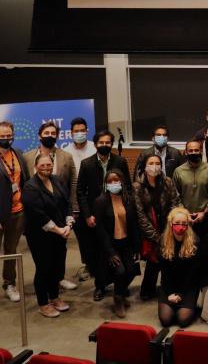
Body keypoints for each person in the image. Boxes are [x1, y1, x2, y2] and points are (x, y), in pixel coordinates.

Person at [76, 129, 131, 301]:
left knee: (118, 250)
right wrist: (87, 215)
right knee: (99, 253)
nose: (105, 145)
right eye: (101, 142)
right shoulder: (86, 164)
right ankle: (100, 286)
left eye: (108, 142)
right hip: (96, 214)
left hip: (117, 211)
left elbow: (127, 186)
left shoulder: (120, 161)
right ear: (95, 144)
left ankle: (119, 285)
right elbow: (80, 191)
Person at [22, 154, 73, 318]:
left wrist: (68, 224)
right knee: (44, 268)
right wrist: (59, 230)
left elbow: (67, 203)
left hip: (60, 232)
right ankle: (43, 303)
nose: (46, 168)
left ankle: (55, 297)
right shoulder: (30, 187)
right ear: (36, 167)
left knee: (57, 266)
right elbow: (38, 214)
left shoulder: (57, 180)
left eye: (49, 165)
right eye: (42, 165)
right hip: (40, 235)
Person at [133, 154, 181, 300]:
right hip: (149, 230)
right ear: (144, 166)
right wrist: (155, 236)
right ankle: (147, 291)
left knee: (169, 258)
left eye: (157, 163)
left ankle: (168, 288)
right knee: (153, 260)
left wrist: (169, 229)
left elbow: (175, 201)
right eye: (151, 163)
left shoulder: (167, 181)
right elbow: (140, 214)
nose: (154, 166)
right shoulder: (137, 186)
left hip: (168, 226)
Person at [94, 169, 141, 318]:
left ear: (122, 181)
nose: (114, 184)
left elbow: (135, 225)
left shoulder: (129, 199)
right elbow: (100, 230)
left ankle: (119, 293)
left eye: (116, 180)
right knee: (120, 271)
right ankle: (118, 299)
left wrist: (137, 247)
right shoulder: (100, 201)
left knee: (132, 271)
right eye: (110, 182)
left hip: (126, 243)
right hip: (111, 245)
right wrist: (110, 252)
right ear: (105, 184)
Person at [65, 117, 96, 283]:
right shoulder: (66, 151)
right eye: (76, 131)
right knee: (82, 236)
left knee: (97, 234)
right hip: (76, 200)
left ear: (87, 131)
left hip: (94, 198)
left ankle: (100, 264)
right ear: (71, 133)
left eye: (82, 130)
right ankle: (88, 264)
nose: (79, 133)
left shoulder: (94, 147)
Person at [158, 207, 201, 328]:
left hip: (188, 286)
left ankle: (193, 306)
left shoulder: (195, 242)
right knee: (166, 320)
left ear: (188, 225)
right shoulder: (162, 241)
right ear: (171, 224)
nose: (180, 226)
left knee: (182, 320)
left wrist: (181, 294)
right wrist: (171, 293)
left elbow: (193, 273)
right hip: (168, 284)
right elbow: (164, 272)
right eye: (177, 223)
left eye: (184, 223)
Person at [0, 121, 29, 302]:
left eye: (8, 135)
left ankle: (9, 283)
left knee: (11, 250)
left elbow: (24, 181)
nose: (5, 139)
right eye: (2, 136)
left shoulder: (18, 154)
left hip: (17, 212)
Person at [172, 139, 208, 239]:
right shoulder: (178, 171)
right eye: (191, 150)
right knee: (186, 248)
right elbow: (175, 194)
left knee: (205, 247)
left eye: (196, 150)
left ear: (201, 151)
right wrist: (185, 214)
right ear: (186, 152)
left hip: (205, 216)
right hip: (184, 217)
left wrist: (205, 212)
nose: (194, 152)